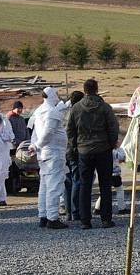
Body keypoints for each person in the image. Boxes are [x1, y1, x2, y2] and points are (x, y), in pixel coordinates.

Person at [66, 79, 119, 230]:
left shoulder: (76, 108)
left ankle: (85, 220)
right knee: (105, 185)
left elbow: (70, 129)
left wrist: (74, 145)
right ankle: (106, 219)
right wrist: (111, 143)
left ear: (85, 90)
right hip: (103, 149)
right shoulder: (104, 107)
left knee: (85, 185)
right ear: (97, 89)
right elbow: (113, 127)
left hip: (84, 151)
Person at [30, 87, 69, 229]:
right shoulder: (51, 112)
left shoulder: (38, 111)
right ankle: (53, 218)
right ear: (52, 95)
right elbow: (48, 132)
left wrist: (35, 146)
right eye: (57, 94)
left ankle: (43, 215)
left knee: (44, 186)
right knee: (54, 186)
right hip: (53, 153)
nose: (58, 97)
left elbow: (35, 133)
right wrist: (36, 146)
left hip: (44, 154)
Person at [63, 90, 85, 222]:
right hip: (74, 150)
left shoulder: (63, 112)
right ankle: (76, 211)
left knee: (68, 183)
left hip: (63, 150)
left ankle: (68, 212)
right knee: (77, 180)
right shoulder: (78, 113)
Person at [94, 147, 127, 215]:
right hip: (114, 174)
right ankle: (122, 208)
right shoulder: (114, 151)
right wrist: (120, 150)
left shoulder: (103, 150)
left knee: (104, 192)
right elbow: (122, 158)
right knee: (119, 190)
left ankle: (97, 208)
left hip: (105, 173)